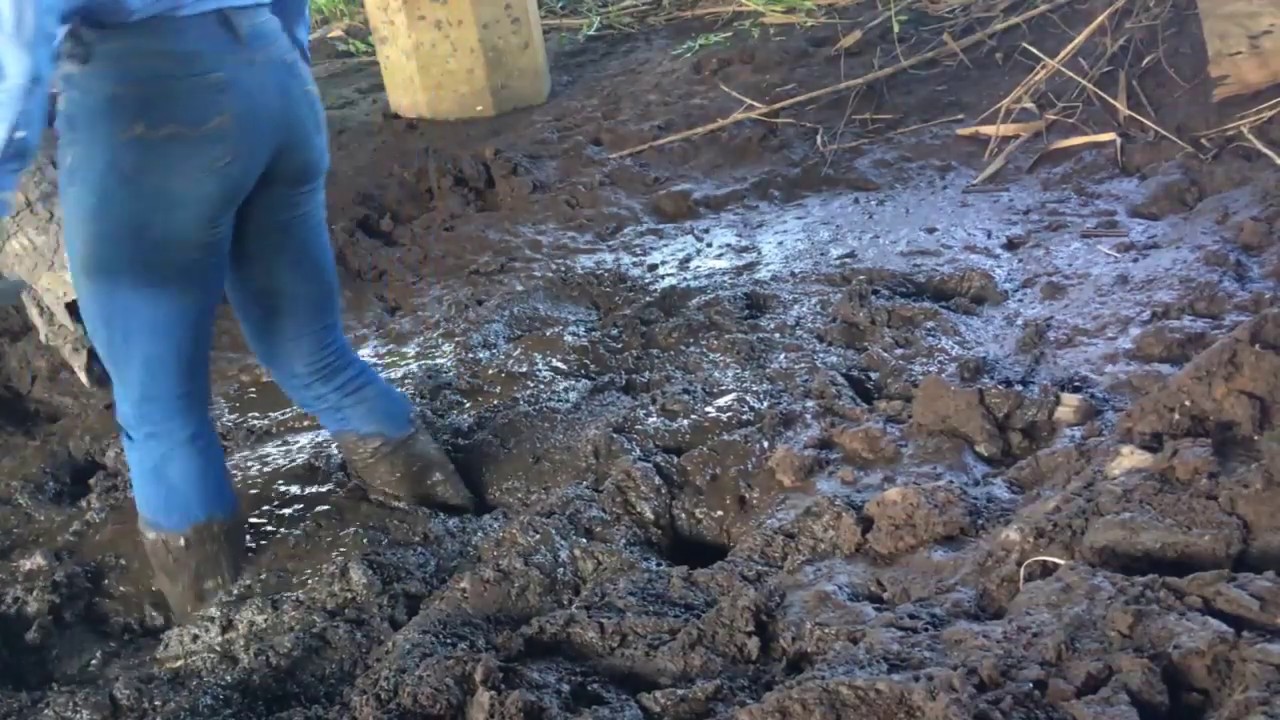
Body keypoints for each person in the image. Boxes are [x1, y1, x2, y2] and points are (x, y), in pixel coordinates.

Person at [0, 2, 479, 622]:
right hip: (272, 78)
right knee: (318, 358)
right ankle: (459, 531)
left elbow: (22, 38)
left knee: (161, 413)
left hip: (147, 107)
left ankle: (215, 637)